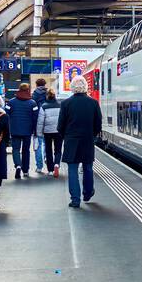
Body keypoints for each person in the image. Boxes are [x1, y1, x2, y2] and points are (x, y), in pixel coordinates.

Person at [58, 75, 101, 208]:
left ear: (72, 87)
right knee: (88, 168)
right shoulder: (93, 103)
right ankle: (87, 193)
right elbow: (98, 125)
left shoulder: (66, 104)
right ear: (85, 87)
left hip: (71, 141)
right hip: (87, 140)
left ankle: (75, 200)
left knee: (72, 169)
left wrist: (66, 135)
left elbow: (60, 126)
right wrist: (91, 135)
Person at [5, 82, 38, 179]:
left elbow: (6, 114)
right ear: (28, 90)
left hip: (15, 129)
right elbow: (35, 118)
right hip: (27, 130)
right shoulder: (33, 103)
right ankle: (26, 171)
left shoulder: (11, 102)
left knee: (15, 149)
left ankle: (18, 166)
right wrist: (35, 130)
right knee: (26, 150)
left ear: (19, 89)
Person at [36, 89, 63, 177]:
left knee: (48, 150)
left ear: (47, 96)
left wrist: (39, 133)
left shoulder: (44, 106)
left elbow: (40, 121)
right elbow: (63, 119)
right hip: (58, 131)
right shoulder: (60, 105)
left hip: (47, 132)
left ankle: (50, 170)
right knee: (58, 150)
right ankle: (56, 164)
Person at [31, 78, 49, 174]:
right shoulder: (48, 93)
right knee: (48, 142)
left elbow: (32, 108)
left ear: (36, 84)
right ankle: (47, 157)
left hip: (37, 122)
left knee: (38, 144)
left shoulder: (34, 94)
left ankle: (39, 167)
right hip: (48, 121)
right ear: (45, 84)